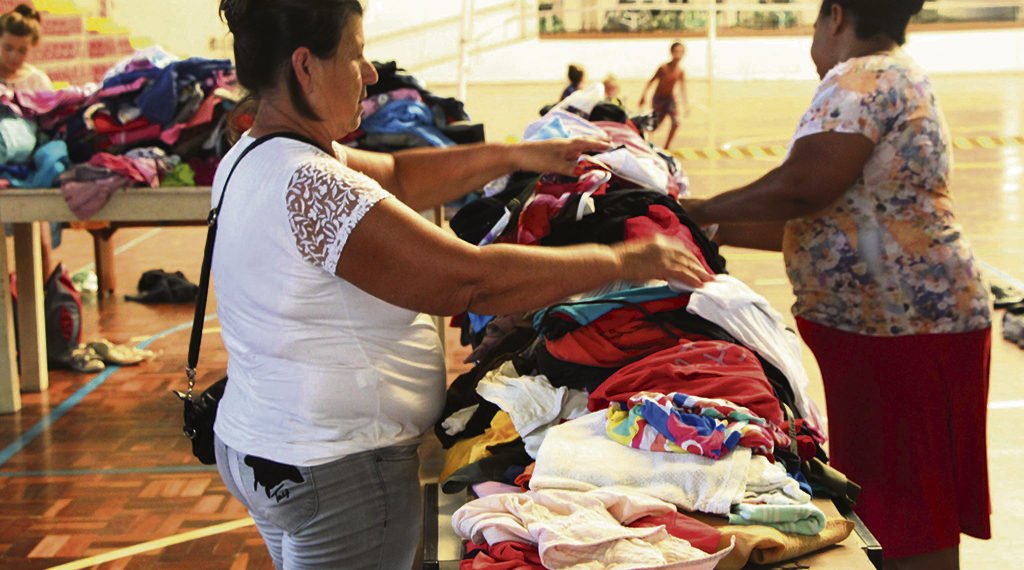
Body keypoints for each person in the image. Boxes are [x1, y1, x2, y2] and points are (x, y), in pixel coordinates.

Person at [212, 1, 713, 568]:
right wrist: (623, 259)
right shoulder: (312, 186)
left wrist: (520, 154)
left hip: (266, 449)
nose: (371, 73)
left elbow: (400, 175)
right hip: (335, 470)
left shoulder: (256, 153)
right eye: (355, 56)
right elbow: (471, 282)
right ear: (305, 67)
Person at [680, 1, 990, 568]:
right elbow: (819, 222)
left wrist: (695, 210)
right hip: (914, 320)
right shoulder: (900, 73)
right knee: (915, 498)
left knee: (903, 503)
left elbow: (803, 187)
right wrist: (704, 223)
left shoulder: (860, 75)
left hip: (900, 328)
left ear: (837, 17)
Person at [0, 3, 54, 276]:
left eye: (22, 50)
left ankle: (43, 298)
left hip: (30, 172)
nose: (14, 56)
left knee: (41, 243)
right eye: (8, 48)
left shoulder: (37, 82)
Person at [638, 41, 690, 149]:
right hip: (659, 99)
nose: (678, 55)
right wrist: (643, 96)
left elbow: (682, 87)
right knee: (655, 126)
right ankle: (641, 141)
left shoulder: (680, 71)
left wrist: (686, 104)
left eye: (681, 52)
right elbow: (651, 81)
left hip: (670, 99)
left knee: (676, 122)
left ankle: (667, 147)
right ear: (671, 52)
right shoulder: (663, 68)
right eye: (676, 51)